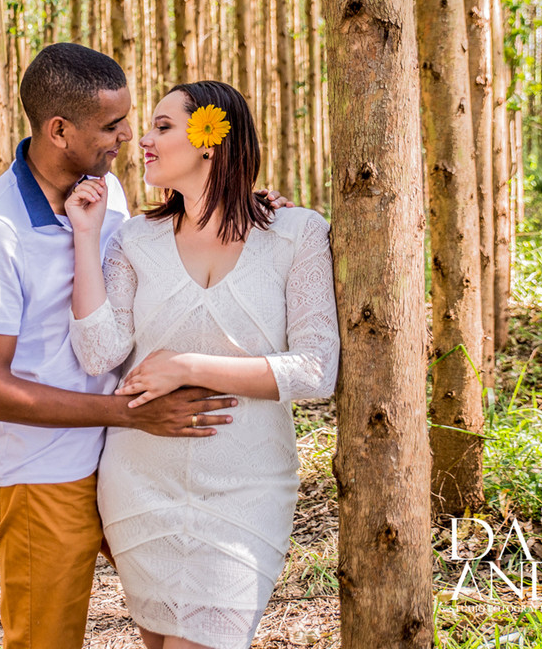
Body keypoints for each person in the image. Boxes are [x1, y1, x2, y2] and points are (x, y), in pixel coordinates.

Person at [0, 45, 288, 649]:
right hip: (46, 470)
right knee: (45, 639)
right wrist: (131, 413)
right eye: (112, 126)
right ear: (59, 130)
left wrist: (248, 211)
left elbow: (146, 275)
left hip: (125, 461)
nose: (128, 138)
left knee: (169, 623)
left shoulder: (102, 191)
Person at [65, 80, 339, 649]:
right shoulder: (133, 240)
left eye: (163, 127)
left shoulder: (297, 233)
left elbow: (316, 371)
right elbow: (98, 351)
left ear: (210, 141)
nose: (142, 140)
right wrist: (86, 238)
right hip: (140, 484)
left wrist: (188, 365)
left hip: (247, 487)